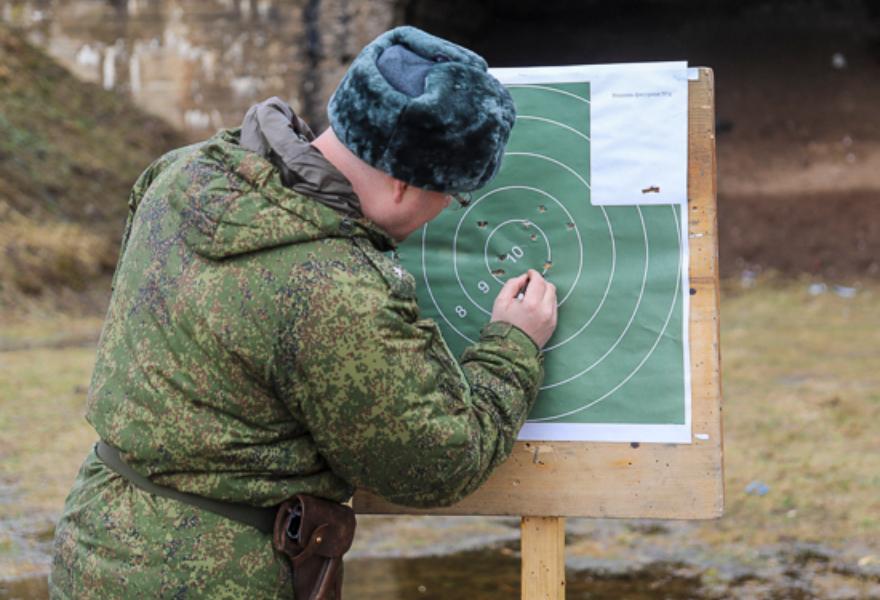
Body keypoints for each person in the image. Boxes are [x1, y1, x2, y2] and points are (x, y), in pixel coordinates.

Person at [50, 26, 557, 598]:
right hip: (214, 578)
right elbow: (436, 464)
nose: (446, 212)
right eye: (452, 196)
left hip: (95, 541)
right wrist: (512, 346)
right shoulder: (334, 289)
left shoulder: (182, 172)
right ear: (398, 183)